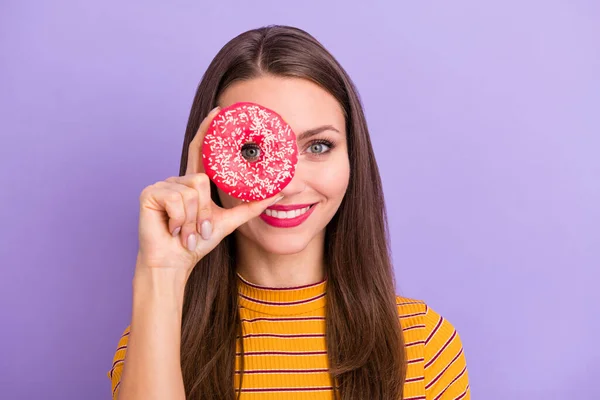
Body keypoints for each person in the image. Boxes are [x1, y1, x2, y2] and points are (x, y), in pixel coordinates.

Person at [108, 25, 470, 400]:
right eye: (251, 150)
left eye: (318, 146)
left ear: (352, 160)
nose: (287, 184)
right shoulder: (155, 340)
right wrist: (162, 274)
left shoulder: (423, 343)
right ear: (206, 164)